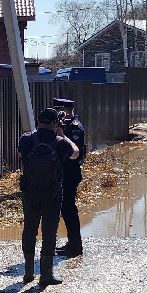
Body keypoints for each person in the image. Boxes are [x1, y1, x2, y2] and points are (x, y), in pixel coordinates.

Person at [18, 107, 79, 286]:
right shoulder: (61, 142)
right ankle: (46, 275)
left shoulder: (26, 138)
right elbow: (76, 153)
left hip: (29, 192)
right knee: (49, 232)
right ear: (55, 124)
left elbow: (21, 154)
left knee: (29, 230)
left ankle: (28, 272)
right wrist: (62, 134)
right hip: (52, 194)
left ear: (38, 122)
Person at [53, 96, 87, 258]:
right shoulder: (65, 126)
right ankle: (72, 242)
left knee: (69, 209)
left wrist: (61, 134)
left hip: (71, 173)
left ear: (66, 111)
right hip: (63, 172)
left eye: (59, 112)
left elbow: (74, 151)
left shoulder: (74, 127)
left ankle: (75, 247)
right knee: (66, 209)